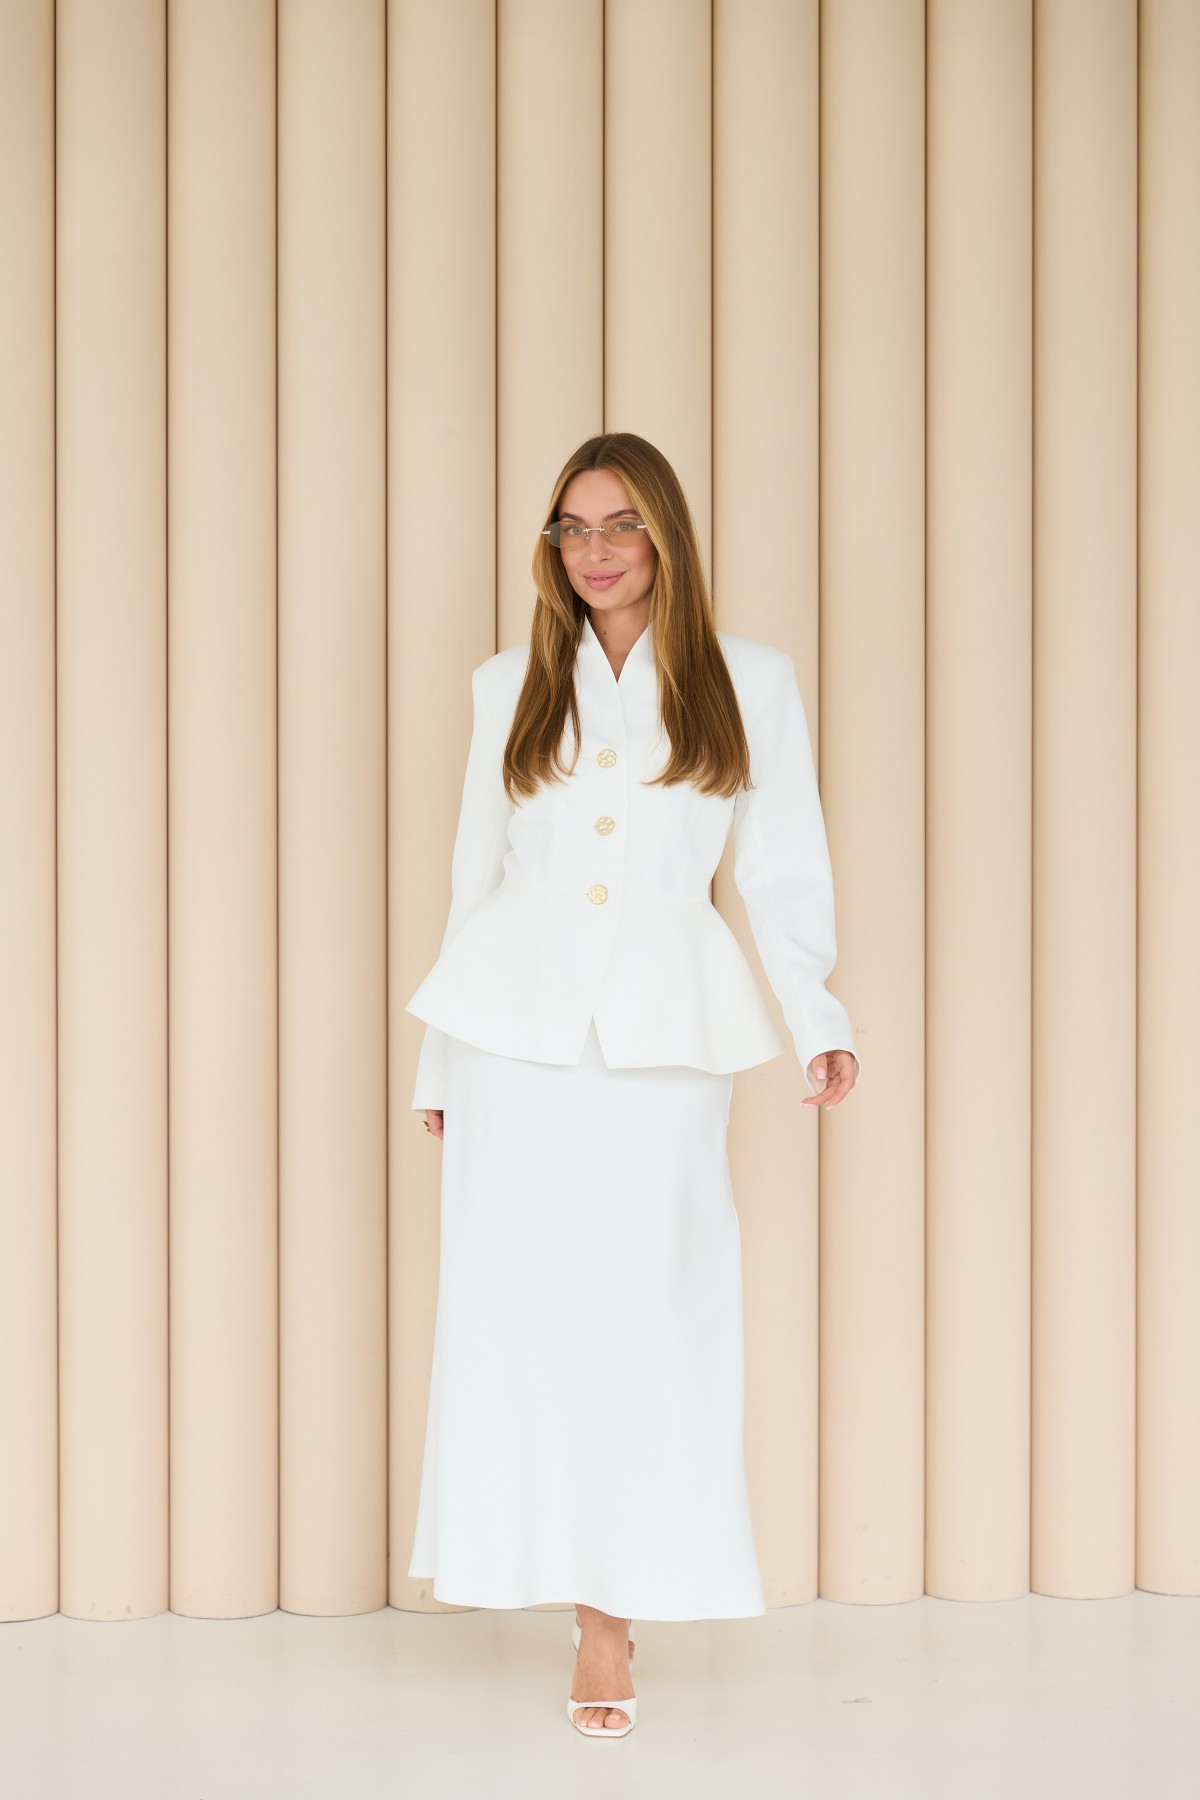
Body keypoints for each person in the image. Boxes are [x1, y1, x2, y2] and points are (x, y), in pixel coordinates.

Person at [405, 431, 860, 1737]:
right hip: (512, 1042)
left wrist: (816, 1016)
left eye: (619, 526)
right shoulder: (508, 684)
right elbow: (476, 874)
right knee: (524, 1320)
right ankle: (592, 1623)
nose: (594, 551)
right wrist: (442, 1060)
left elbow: (780, 866)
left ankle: (625, 1596)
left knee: (657, 1316)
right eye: (571, 528)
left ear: (665, 536)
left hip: (668, 1038)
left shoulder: (747, 678)